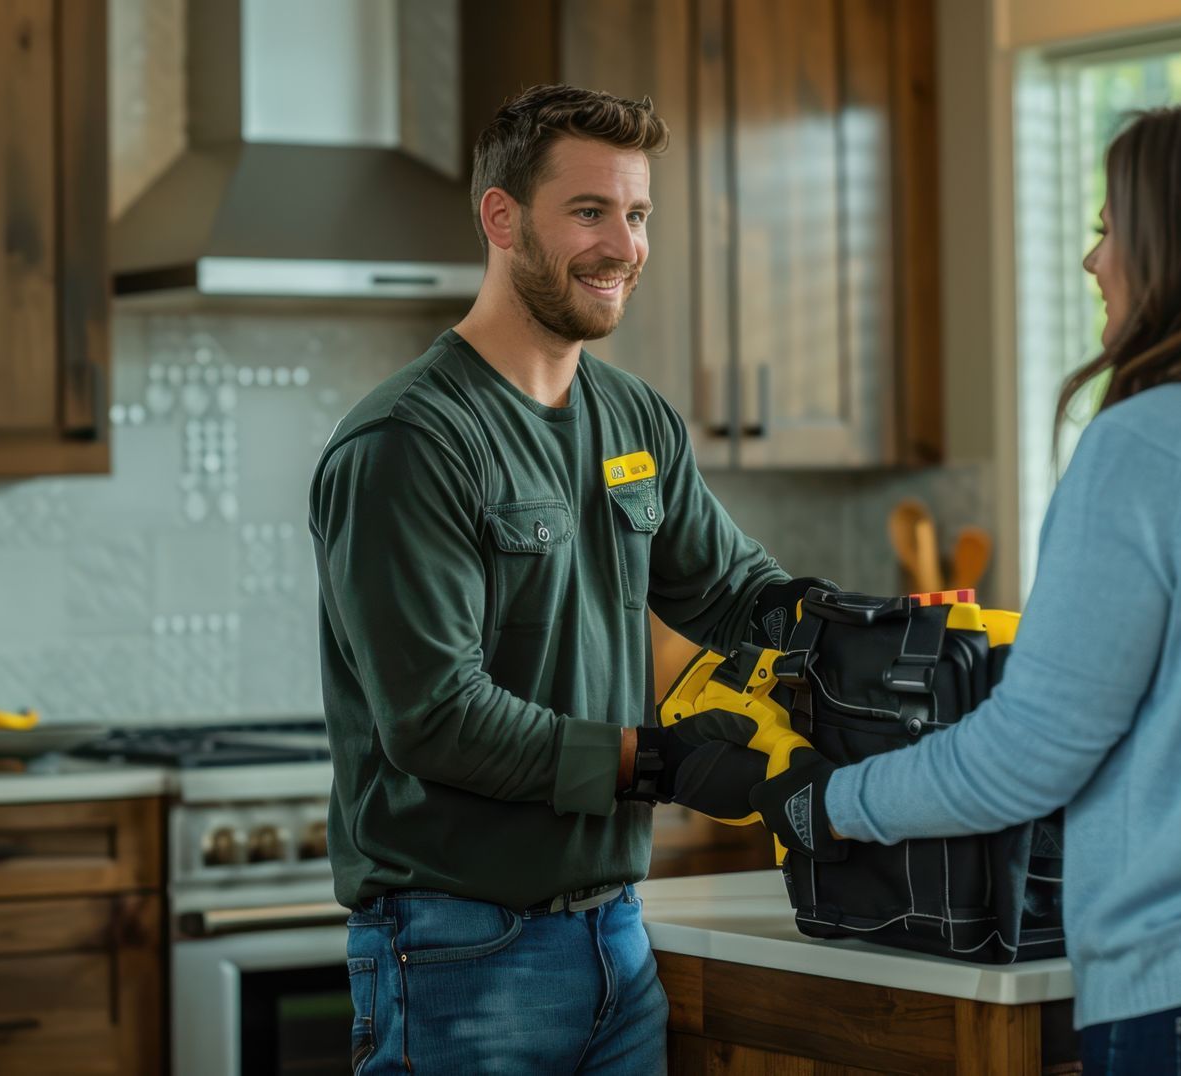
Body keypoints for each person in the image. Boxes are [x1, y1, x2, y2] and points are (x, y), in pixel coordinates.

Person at [731, 97, 1181, 1074]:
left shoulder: (1149, 443)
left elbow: (1025, 756)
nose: (1094, 262)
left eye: (1109, 230)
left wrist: (823, 801)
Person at [309, 83, 827, 1075]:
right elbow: (436, 715)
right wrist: (653, 760)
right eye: (589, 211)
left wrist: (862, 636)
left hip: (617, 943)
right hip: (460, 950)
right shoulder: (412, 440)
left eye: (636, 215)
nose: (623, 245)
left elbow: (732, 591)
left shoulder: (634, 420)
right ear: (501, 219)